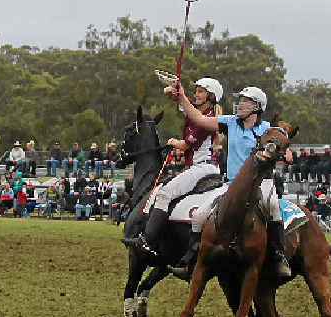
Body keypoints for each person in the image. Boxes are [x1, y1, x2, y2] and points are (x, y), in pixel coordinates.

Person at [164, 83, 291, 280]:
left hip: (262, 183)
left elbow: (287, 150)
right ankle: (190, 260)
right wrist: (181, 97)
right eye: (239, 100)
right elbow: (197, 118)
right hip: (231, 184)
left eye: (245, 101)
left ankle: (279, 257)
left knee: (273, 206)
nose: (239, 104)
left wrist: (280, 151)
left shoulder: (268, 129)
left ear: (257, 106)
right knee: (199, 215)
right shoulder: (229, 122)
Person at [123, 77, 223, 261]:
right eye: (196, 91)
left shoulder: (208, 118)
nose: (197, 94)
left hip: (202, 168)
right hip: (201, 167)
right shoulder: (198, 112)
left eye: (201, 91)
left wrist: (173, 142)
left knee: (165, 193)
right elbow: (185, 106)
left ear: (211, 96)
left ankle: (147, 239)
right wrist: (177, 93)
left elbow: (186, 145)